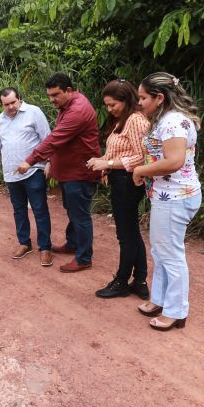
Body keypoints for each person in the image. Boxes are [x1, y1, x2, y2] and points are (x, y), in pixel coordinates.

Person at [132, 72, 202, 331]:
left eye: (143, 98)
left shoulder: (172, 122)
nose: (140, 102)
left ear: (159, 98)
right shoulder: (168, 119)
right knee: (161, 251)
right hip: (169, 195)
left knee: (170, 254)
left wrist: (140, 170)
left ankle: (175, 311)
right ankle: (159, 300)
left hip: (175, 197)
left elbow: (174, 161)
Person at [17, 73, 101, 273]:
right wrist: (51, 163)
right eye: (49, 95)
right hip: (70, 172)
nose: (51, 99)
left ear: (68, 90)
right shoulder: (68, 105)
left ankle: (84, 258)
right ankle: (73, 244)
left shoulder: (77, 110)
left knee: (80, 215)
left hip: (80, 173)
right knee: (72, 210)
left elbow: (54, 139)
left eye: (55, 95)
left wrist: (30, 160)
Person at [86, 79, 151, 299]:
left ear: (126, 100)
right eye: (107, 105)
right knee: (131, 232)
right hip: (121, 180)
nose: (109, 109)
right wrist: (102, 160)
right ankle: (140, 281)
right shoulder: (123, 120)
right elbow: (120, 151)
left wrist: (109, 163)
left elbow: (142, 156)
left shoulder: (135, 120)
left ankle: (121, 281)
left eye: (113, 104)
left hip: (128, 182)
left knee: (125, 235)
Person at [0, 87, 54, 266]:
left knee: (40, 210)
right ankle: (24, 243)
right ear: (2, 104)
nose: (11, 107)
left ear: (19, 98)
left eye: (13, 102)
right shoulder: (0, 119)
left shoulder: (34, 112)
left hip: (33, 171)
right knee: (19, 210)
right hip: (11, 175)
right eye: (6, 104)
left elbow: (48, 139)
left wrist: (50, 162)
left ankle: (45, 248)